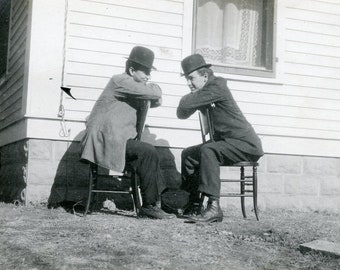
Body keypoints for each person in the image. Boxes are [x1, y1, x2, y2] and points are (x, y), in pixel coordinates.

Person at [80, 46, 174, 219]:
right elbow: (155, 94)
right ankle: (149, 206)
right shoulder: (121, 81)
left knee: (147, 152)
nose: (148, 76)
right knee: (147, 151)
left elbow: (153, 100)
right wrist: (155, 91)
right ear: (131, 70)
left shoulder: (133, 87)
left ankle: (158, 202)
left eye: (149, 72)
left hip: (116, 139)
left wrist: (153, 95)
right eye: (144, 71)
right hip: (105, 140)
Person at [177, 54, 264, 223]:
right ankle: (194, 204)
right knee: (188, 154)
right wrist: (192, 97)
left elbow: (185, 105)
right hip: (227, 143)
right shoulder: (204, 91)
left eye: (191, 79)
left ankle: (214, 207)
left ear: (205, 76)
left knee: (208, 149)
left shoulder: (217, 85)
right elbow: (181, 113)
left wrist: (189, 99)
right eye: (186, 79)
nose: (189, 83)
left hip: (245, 144)